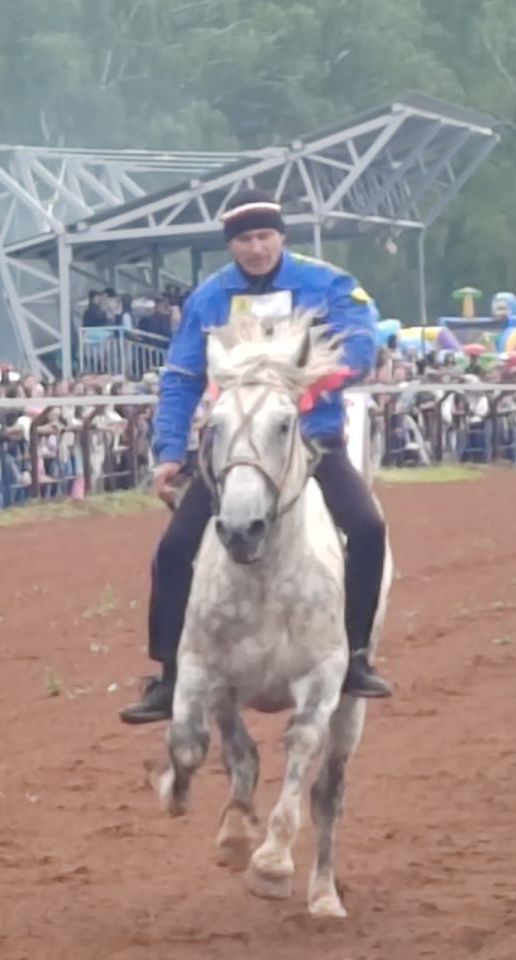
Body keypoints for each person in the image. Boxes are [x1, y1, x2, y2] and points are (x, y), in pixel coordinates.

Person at [120, 189, 392, 724]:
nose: (257, 247)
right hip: (236, 450)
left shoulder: (329, 283)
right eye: (244, 239)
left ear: (281, 236)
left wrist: (310, 386)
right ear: (231, 246)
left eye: (265, 235)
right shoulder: (208, 298)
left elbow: (360, 346)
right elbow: (180, 378)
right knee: (174, 550)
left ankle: (355, 656)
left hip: (310, 440)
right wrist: (169, 451)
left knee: (367, 529)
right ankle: (170, 675)